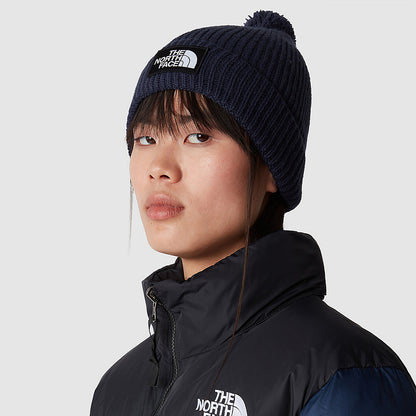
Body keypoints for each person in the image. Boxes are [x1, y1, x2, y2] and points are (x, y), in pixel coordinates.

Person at [90, 10, 416, 416]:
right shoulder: (118, 388)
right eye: (145, 138)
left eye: (198, 136)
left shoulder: (343, 377)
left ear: (271, 168)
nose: (159, 167)